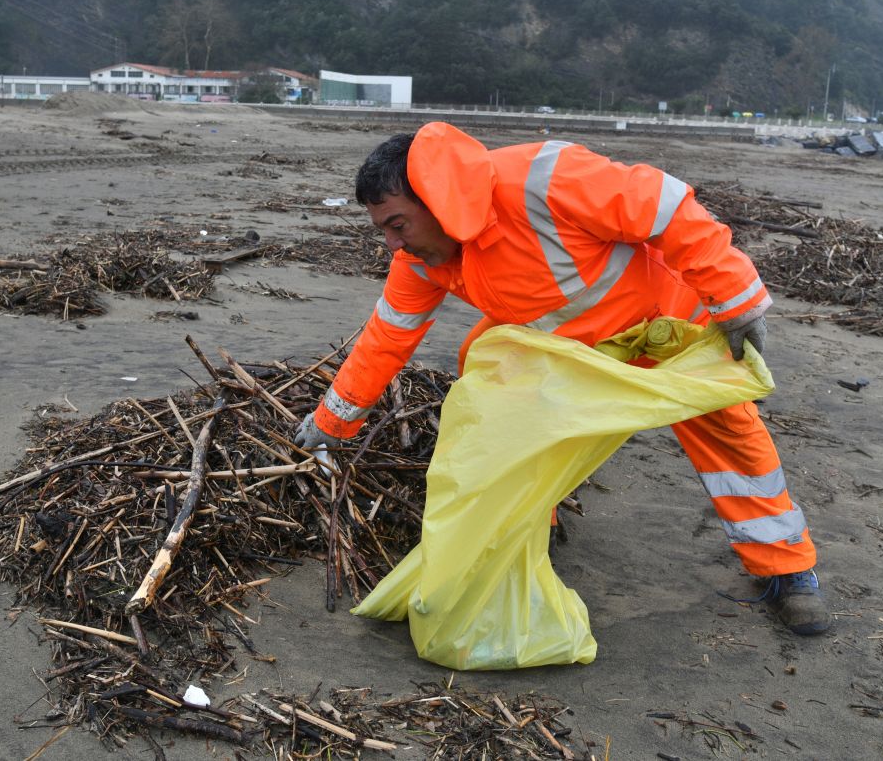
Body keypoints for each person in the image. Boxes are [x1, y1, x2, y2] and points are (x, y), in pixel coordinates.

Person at [293, 121, 831, 636]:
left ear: (436, 200)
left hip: (668, 326)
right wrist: (333, 421)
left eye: (397, 225)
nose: (392, 245)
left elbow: (663, 206)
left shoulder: (541, 179)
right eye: (382, 230)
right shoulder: (421, 260)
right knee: (486, 369)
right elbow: (387, 335)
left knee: (727, 433)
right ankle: (535, 524)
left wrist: (734, 298)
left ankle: (785, 569)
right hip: (571, 355)